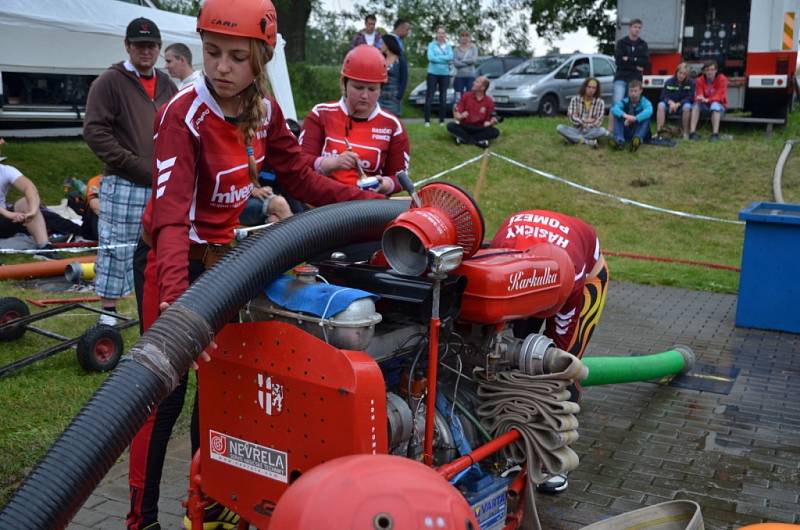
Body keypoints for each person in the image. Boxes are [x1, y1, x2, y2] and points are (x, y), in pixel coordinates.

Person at [126, 2, 386, 529]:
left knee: (221, 385)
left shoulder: (263, 110)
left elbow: (301, 178)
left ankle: (212, 498)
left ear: (261, 60)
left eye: (237, 57)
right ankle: (140, 518)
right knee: (162, 394)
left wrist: (373, 211)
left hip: (226, 266)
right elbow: (171, 219)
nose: (221, 67)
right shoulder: (183, 114)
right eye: (213, 53)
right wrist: (177, 308)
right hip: (171, 264)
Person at [491, 209, 609, 494]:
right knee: (506, 363)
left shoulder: (575, 276)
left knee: (560, 368)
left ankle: (554, 457)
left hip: (583, 277)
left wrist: (556, 367)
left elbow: (562, 356)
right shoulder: (500, 257)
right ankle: (510, 446)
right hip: (525, 271)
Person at [83, 17, 178, 326]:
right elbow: (95, 132)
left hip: (161, 182)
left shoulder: (166, 84)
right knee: (116, 246)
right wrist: (132, 163)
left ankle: (158, 305)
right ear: (127, 46)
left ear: (159, 49)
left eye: (151, 46)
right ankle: (108, 315)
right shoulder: (110, 82)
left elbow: (178, 123)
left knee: (161, 248)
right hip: (123, 180)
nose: (145, 51)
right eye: (139, 46)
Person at [300, 45, 409, 194]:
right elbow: (300, 162)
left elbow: (400, 177)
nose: (365, 96)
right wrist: (331, 163)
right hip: (321, 201)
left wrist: (385, 184)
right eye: (358, 87)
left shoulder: (392, 126)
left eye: (372, 89)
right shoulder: (320, 113)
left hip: (366, 205)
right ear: (343, 83)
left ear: (381, 88)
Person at [0, 141, 50, 251]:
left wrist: (32, 211)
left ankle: (44, 248)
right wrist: (8, 213)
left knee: (26, 202)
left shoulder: (6, 170)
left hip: (3, 220)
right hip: (5, 214)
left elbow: (29, 188)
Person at [611, 18, 649, 135]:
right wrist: (636, 63)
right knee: (617, 103)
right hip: (621, 77)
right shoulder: (621, 43)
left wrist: (629, 59)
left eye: (639, 28)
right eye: (635, 27)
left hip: (635, 79)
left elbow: (645, 62)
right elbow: (619, 61)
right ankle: (613, 131)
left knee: (632, 105)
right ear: (630, 27)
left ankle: (629, 131)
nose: (637, 29)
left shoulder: (643, 44)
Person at [446, 76, 499, 148]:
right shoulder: (466, 96)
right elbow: (457, 115)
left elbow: (488, 121)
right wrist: (461, 116)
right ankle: (478, 142)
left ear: (483, 88)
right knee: (450, 125)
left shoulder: (489, 101)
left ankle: (464, 139)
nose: (473, 83)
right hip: (465, 126)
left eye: (477, 82)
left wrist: (491, 122)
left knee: (495, 132)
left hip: (479, 128)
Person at [556, 77, 607, 148]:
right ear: (585, 87)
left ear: (596, 90)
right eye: (589, 87)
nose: (591, 90)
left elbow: (598, 121)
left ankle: (573, 139)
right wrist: (586, 120)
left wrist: (583, 122)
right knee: (559, 128)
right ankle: (587, 141)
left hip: (590, 130)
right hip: (576, 129)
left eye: (594, 88)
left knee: (603, 131)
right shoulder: (575, 99)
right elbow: (572, 118)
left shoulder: (600, 102)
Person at [689, 60, 728, 142]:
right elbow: (699, 94)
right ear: (704, 71)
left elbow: (720, 95)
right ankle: (692, 133)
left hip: (719, 106)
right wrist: (701, 98)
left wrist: (708, 99)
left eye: (712, 69)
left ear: (716, 70)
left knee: (715, 105)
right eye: (707, 70)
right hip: (705, 105)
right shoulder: (699, 80)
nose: (710, 72)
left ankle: (715, 134)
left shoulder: (722, 79)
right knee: (695, 105)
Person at [609, 79, 652, 152]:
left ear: (641, 91)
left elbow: (649, 110)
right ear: (628, 91)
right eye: (631, 91)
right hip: (626, 128)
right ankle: (619, 141)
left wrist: (635, 118)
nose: (633, 93)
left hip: (638, 129)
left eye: (635, 91)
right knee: (617, 115)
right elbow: (614, 109)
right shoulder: (624, 101)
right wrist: (625, 116)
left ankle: (637, 140)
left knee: (646, 118)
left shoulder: (645, 101)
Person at [655, 62, 694, 140]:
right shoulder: (669, 82)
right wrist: (670, 102)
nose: (682, 75)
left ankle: (685, 132)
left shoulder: (690, 83)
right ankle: (659, 132)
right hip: (670, 105)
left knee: (687, 106)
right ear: (676, 72)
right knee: (660, 105)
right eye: (680, 73)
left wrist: (679, 103)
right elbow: (663, 96)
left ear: (687, 75)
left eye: (684, 74)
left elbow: (690, 97)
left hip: (682, 106)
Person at [424, 26, 453, 127]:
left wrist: (438, 58)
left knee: (443, 97)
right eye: (439, 33)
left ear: (445, 35)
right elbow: (431, 58)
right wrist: (444, 59)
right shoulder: (431, 45)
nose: (441, 35)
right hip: (432, 73)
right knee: (430, 96)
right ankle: (427, 121)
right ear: (436, 34)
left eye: (443, 33)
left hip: (445, 74)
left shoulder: (448, 46)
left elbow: (450, 57)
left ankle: (441, 121)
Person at [388, 19, 411, 114]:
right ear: (400, 28)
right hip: (391, 87)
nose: (407, 33)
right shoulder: (390, 41)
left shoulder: (398, 41)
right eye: (407, 29)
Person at [378, 34, 404, 116]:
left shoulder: (400, 60)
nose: (380, 46)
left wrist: (398, 97)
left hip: (393, 99)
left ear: (388, 44)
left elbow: (404, 80)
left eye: (382, 43)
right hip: (380, 98)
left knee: (392, 123)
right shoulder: (380, 59)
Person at [453, 29, 478, 101]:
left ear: (469, 37)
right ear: (460, 38)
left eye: (467, 35)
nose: (464, 37)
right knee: (459, 98)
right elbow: (455, 63)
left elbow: (473, 60)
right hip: (459, 77)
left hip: (471, 76)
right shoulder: (456, 49)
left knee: (470, 97)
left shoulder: (473, 47)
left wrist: (462, 61)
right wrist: (468, 63)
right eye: (462, 35)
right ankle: (459, 111)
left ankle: (469, 112)